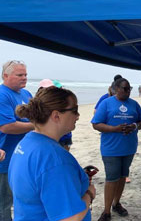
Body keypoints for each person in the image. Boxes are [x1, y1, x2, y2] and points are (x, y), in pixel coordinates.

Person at [9, 86, 96, 221]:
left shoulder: (26, 142)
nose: (78, 116)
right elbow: (69, 218)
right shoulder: (55, 160)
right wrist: (89, 194)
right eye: (74, 110)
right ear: (56, 116)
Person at [92, 78, 141, 221]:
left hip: (129, 148)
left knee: (122, 176)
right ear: (116, 88)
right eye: (125, 88)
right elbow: (96, 124)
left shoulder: (134, 104)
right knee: (111, 178)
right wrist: (114, 129)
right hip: (111, 149)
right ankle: (106, 211)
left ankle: (117, 204)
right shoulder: (106, 103)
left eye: (130, 88)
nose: (128, 91)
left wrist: (134, 126)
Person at [0, 60, 34, 221]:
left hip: (23, 156)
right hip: (5, 159)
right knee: (4, 204)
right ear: (5, 75)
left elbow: (36, 115)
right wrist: (36, 125)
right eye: (19, 75)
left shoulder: (26, 94)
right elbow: (7, 127)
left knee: (22, 198)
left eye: (26, 74)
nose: (24, 78)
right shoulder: (2, 94)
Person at [38, 79, 73, 151]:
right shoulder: (40, 103)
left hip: (65, 135)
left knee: (64, 154)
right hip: (53, 136)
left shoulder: (62, 100)